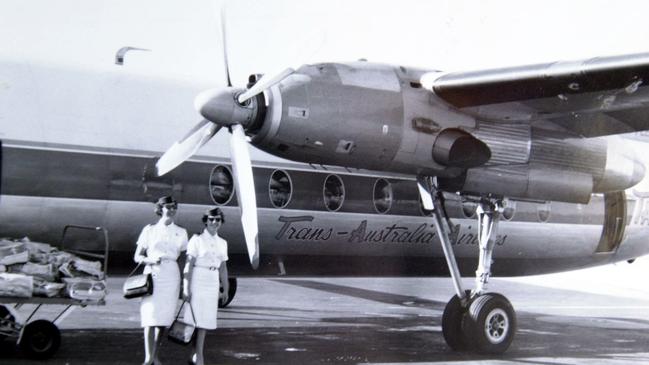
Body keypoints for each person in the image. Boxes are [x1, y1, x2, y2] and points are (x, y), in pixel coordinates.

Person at [133, 196, 188, 365]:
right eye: (168, 207)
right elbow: (137, 256)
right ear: (160, 209)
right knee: (150, 317)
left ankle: (156, 356)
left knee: (163, 320)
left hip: (171, 276)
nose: (171, 210)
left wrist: (183, 284)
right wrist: (149, 260)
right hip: (152, 274)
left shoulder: (181, 231)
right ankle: (148, 358)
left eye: (174, 207)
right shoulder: (149, 230)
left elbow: (183, 259)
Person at [183, 207, 229, 365]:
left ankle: (198, 355)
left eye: (218, 219)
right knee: (194, 320)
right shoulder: (196, 240)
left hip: (212, 281)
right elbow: (188, 266)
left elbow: (223, 267)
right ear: (205, 221)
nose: (214, 222)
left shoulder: (223, 243)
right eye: (211, 219)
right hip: (198, 279)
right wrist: (185, 287)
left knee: (205, 320)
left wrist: (226, 289)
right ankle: (194, 354)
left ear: (221, 222)